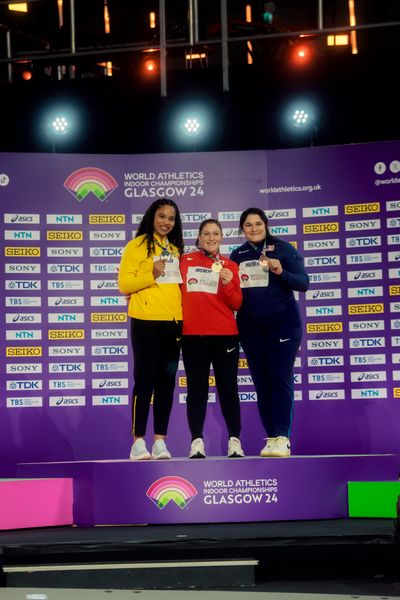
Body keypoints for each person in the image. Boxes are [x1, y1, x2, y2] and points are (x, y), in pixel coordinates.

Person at [230, 208, 309, 458]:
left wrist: (279, 271)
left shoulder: (284, 248)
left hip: (283, 325)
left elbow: (303, 283)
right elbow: (232, 294)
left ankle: (283, 437)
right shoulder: (237, 254)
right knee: (262, 384)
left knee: (280, 379)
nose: (254, 229)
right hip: (251, 328)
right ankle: (272, 437)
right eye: (248, 225)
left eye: (258, 224)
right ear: (242, 229)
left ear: (266, 225)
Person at [118, 199, 184, 461]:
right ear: (152, 217)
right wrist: (151, 274)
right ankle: (138, 442)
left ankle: (160, 442)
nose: (166, 222)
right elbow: (124, 284)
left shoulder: (176, 249)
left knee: (166, 383)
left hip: (172, 322)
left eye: (171, 218)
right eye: (161, 216)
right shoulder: (135, 246)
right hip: (145, 321)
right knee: (144, 381)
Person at [180, 219, 244, 459]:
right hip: (192, 336)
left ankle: (234, 441)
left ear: (221, 237)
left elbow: (236, 303)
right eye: (206, 233)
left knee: (228, 389)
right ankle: (196, 441)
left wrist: (228, 283)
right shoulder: (184, 262)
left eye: (215, 233)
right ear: (198, 237)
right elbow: (171, 291)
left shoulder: (230, 265)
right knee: (197, 390)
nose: (211, 237)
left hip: (225, 335)